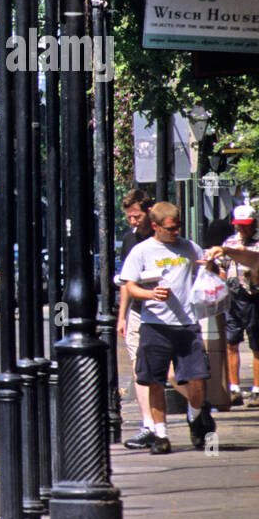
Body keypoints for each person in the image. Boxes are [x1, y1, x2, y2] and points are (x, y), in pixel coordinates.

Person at [118, 201, 220, 454]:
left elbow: (209, 267)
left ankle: (195, 416)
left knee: (198, 379)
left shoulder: (188, 246)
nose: (176, 232)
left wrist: (210, 264)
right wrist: (150, 295)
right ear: (156, 226)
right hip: (155, 325)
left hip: (186, 324)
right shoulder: (142, 251)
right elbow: (129, 285)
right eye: (170, 228)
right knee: (154, 381)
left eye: (178, 228)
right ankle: (160, 435)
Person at [116, 189, 157, 448]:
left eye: (137, 216)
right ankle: (148, 425)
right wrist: (121, 316)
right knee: (138, 366)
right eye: (130, 217)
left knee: (171, 371)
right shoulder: (128, 241)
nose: (133, 221)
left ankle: (197, 409)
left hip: (163, 311)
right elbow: (125, 281)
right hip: (136, 311)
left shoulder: (161, 236)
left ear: (148, 212)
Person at [216, 204, 259, 408]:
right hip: (234, 298)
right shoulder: (230, 242)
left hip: (256, 298)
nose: (242, 230)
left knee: (257, 344)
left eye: (246, 226)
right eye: (239, 226)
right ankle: (234, 388)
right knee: (231, 342)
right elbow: (221, 267)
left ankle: (257, 389)